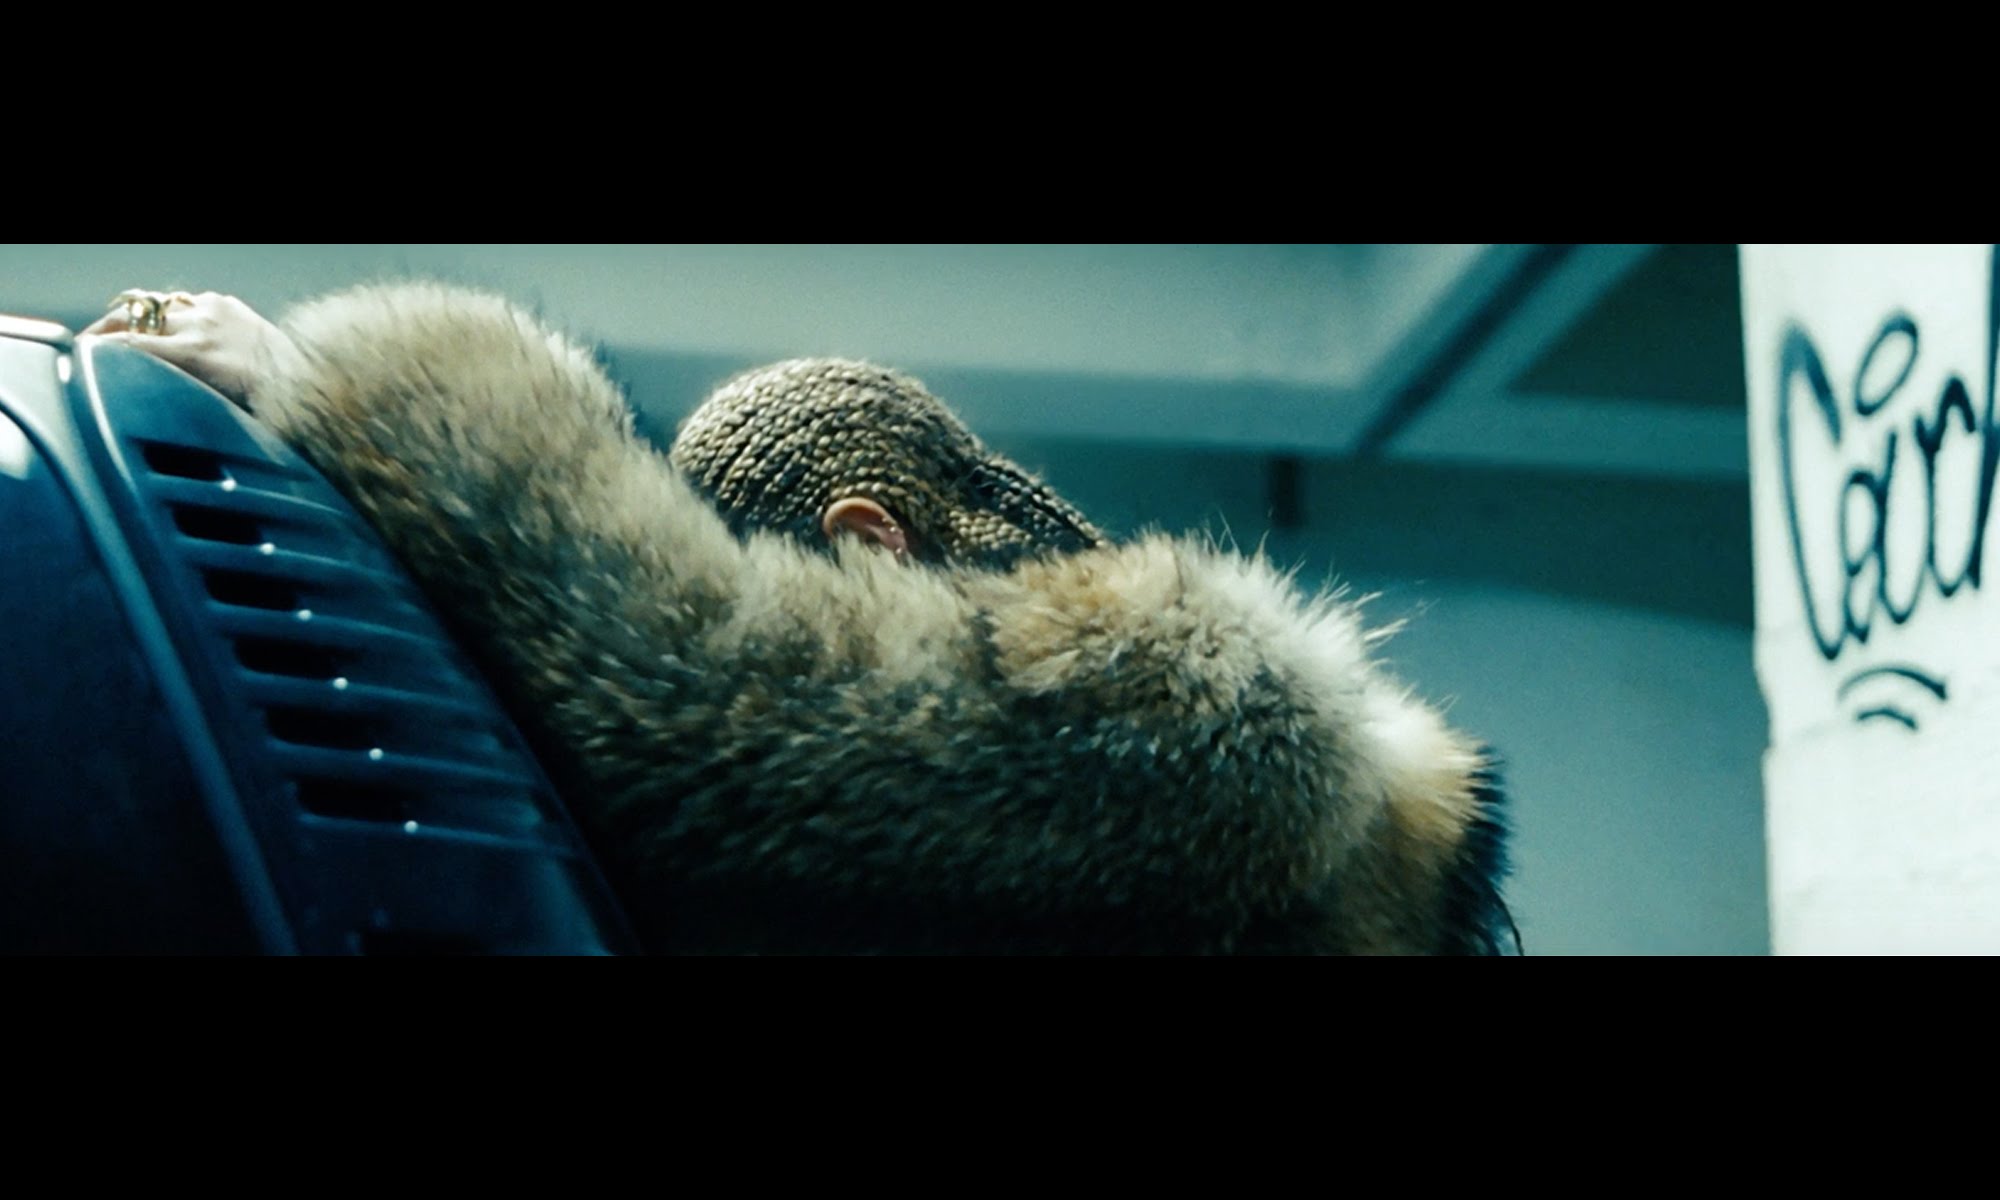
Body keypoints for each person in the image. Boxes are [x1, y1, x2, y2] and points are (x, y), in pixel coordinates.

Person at [87, 284, 1514, 954]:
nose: (813, 622)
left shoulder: (1198, 706)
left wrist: (341, 386)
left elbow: (683, 688)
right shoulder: (1202, 824)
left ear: (864, 544)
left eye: (801, 585)